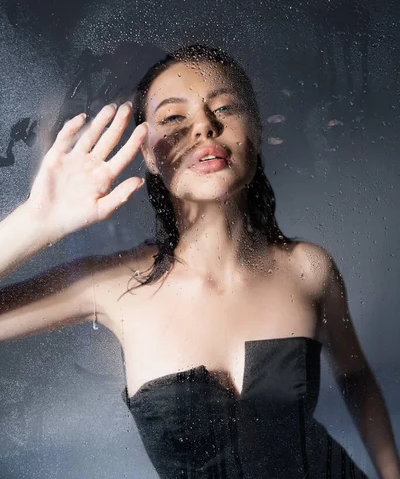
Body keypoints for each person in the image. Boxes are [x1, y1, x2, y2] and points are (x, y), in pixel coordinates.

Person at [0, 44, 398, 479]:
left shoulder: (309, 267)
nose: (205, 127)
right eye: (173, 117)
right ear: (149, 154)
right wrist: (36, 222)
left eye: (225, 107)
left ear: (257, 132)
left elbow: (356, 374)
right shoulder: (109, 284)